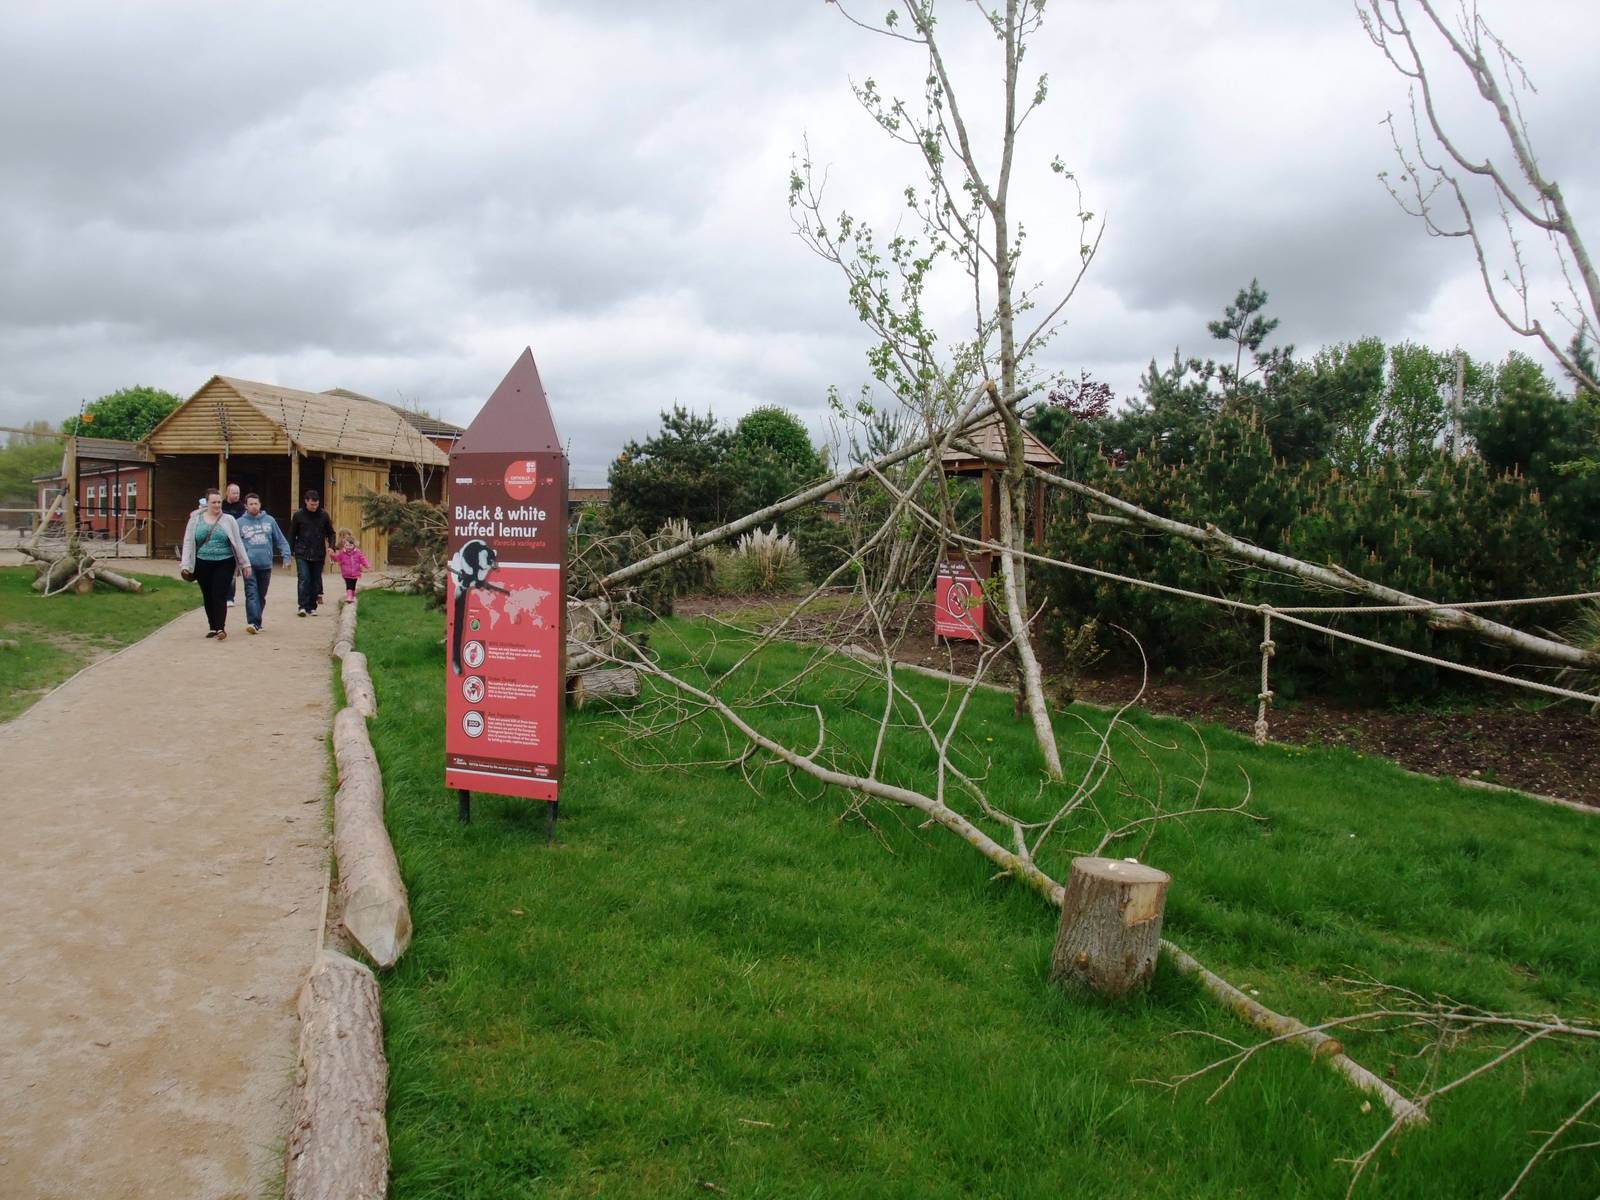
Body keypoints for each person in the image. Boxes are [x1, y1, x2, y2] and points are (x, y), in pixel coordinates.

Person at [180, 488, 252, 640]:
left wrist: (245, 564)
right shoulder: (195, 520)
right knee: (208, 595)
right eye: (214, 502)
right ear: (207, 503)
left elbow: (238, 543)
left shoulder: (229, 520)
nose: (217, 505)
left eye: (219, 502)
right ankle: (212, 626)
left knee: (219, 594)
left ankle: (220, 628)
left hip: (224, 561)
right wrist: (185, 565)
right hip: (202, 562)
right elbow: (188, 542)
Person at [236, 493, 292, 633]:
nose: (254, 506)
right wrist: (236, 564)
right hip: (248, 565)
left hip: (265, 564)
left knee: (261, 594)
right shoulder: (240, 523)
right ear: (246, 506)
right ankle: (253, 622)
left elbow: (280, 539)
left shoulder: (269, 520)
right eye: (251, 504)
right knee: (251, 593)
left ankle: (257, 621)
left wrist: (286, 556)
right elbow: (235, 545)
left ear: (260, 505)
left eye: (256, 503)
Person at [289, 489, 336, 616]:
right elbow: (292, 534)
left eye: (316, 504)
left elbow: (331, 533)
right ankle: (302, 606)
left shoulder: (324, 515)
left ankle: (312, 607)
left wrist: (332, 546)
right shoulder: (298, 515)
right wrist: (290, 551)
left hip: (318, 553)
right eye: (312, 504)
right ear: (306, 502)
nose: (314, 507)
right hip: (302, 552)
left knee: (315, 580)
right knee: (304, 578)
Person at [222, 483, 247, 607]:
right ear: (227, 493)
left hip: (235, 540)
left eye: (238, 493)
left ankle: (230, 597)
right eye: (234, 493)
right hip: (222, 539)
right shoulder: (221, 505)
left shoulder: (242, 508)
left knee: (232, 570)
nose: (236, 495)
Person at [332, 530, 371, 606]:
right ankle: (349, 596)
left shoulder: (358, 553)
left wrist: (367, 566)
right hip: (346, 573)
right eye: (347, 546)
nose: (348, 547)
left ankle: (352, 595)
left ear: (354, 546)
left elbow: (363, 559)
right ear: (344, 545)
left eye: (350, 546)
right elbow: (337, 558)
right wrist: (332, 555)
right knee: (349, 584)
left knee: (353, 585)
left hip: (355, 573)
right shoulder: (342, 553)